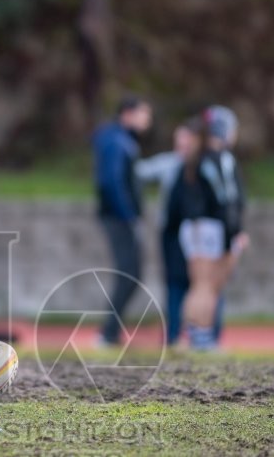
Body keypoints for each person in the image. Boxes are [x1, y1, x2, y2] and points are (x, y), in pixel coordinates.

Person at [167, 106, 247, 351]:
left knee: (200, 284)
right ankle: (201, 337)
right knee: (207, 285)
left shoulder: (194, 157)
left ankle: (190, 335)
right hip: (210, 227)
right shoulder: (221, 159)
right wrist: (234, 234)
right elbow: (228, 199)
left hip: (194, 228)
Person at [137, 119, 223, 346]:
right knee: (175, 283)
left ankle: (204, 335)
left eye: (187, 139)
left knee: (201, 283)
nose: (183, 144)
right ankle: (175, 335)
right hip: (174, 233)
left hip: (196, 231)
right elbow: (138, 172)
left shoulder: (203, 165)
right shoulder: (171, 164)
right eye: (180, 139)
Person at [92, 95, 153, 346]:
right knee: (129, 273)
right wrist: (128, 215)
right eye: (143, 113)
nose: (147, 120)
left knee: (131, 274)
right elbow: (112, 182)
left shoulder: (120, 140)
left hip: (119, 217)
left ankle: (111, 332)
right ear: (127, 114)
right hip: (119, 218)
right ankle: (108, 333)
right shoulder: (118, 141)